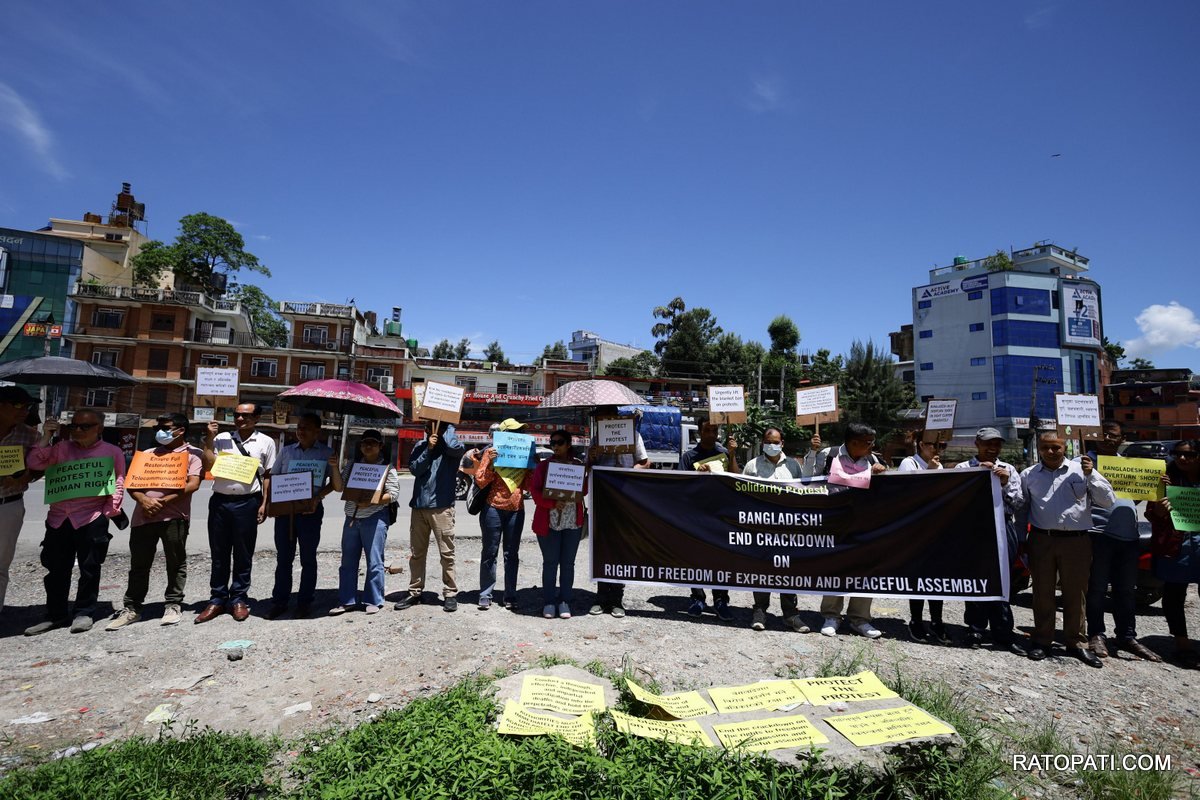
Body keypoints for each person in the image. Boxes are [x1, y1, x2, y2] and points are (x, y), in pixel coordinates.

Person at [24, 410, 126, 635]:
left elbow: (118, 480)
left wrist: (111, 509)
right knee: (56, 569)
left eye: (85, 426)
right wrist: (45, 437)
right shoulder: (60, 448)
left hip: (92, 517)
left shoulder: (112, 452)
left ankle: (84, 612)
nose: (78, 430)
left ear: (99, 428)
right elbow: (34, 462)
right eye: (74, 426)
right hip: (59, 518)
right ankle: (55, 614)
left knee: (90, 568)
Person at [1020, 430, 1115, 666]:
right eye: (1046, 448)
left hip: (1077, 541)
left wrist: (1091, 474)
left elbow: (1108, 500)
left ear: (1065, 448)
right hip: (1041, 539)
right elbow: (1023, 510)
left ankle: (1076, 642)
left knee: (1076, 592)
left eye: (1056, 447)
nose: (1051, 452)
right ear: (1039, 449)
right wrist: (1021, 540)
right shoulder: (1029, 475)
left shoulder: (1081, 471)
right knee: (1042, 592)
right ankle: (1043, 640)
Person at [106, 413, 203, 630]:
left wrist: (162, 501)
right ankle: (132, 608)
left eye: (166, 427)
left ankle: (173, 604)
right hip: (143, 517)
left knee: (176, 562)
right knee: (139, 564)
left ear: (181, 430)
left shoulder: (192, 455)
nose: (161, 432)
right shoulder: (147, 454)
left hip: (174, 517)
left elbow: (193, 484)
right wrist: (143, 500)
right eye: (158, 428)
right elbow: (132, 484)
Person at [1084, 421, 1161, 661]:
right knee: (1096, 589)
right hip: (1098, 534)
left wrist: (1156, 486)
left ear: (1122, 438)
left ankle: (1127, 636)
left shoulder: (1129, 466)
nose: (1107, 438)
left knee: (1126, 590)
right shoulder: (1083, 462)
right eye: (1102, 434)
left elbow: (1133, 499)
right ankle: (1096, 633)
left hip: (1128, 536)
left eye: (1112, 435)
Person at [197, 403, 277, 624]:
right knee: (219, 552)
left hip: (248, 502)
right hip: (220, 502)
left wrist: (264, 503)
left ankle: (239, 598)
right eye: (237, 415)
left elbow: (268, 474)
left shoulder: (266, 442)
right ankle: (217, 598)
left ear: (257, 417)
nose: (240, 419)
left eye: (246, 415)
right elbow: (208, 464)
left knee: (243, 553)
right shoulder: (221, 438)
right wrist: (209, 439)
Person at [954, 427, 1028, 655]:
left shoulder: (1009, 469)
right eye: (987, 443)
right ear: (977, 444)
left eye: (997, 444)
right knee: (976, 577)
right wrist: (976, 474)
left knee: (1003, 578)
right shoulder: (962, 469)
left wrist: (1004, 483)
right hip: (974, 528)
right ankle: (975, 628)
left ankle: (1003, 631)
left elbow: (1018, 503)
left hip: (1003, 525)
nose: (992, 448)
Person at [812, 422, 888, 639]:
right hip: (835, 524)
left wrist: (883, 471)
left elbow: (887, 488)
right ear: (854, 443)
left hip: (865, 526)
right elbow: (810, 482)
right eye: (868, 443)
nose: (872, 446)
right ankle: (831, 616)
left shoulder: (873, 459)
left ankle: (860, 619)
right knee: (836, 569)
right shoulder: (829, 455)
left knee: (865, 571)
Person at [268, 412, 337, 620]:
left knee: (308, 559)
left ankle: (305, 602)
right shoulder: (287, 452)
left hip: (311, 513)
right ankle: (280, 601)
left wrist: (318, 497)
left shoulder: (327, 453)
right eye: (299, 426)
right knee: (283, 559)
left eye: (306, 427)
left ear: (318, 431)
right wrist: (269, 505)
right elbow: (274, 478)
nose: (301, 431)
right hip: (286, 514)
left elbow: (334, 485)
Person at [741, 426, 807, 632]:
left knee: (788, 570)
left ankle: (791, 614)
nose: (772, 445)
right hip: (761, 529)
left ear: (782, 443)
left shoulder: (794, 467)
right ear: (763, 443)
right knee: (761, 569)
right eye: (768, 442)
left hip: (787, 530)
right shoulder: (752, 466)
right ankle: (760, 611)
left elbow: (802, 492)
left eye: (776, 442)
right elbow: (741, 491)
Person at [396, 420, 466, 612]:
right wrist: (429, 448)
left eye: (437, 427)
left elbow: (454, 448)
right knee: (417, 553)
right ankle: (415, 591)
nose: (430, 431)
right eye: (427, 427)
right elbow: (415, 469)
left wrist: (445, 432)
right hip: (419, 507)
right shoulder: (420, 446)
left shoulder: (454, 445)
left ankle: (450, 593)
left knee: (447, 554)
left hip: (442, 507)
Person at [587, 405, 650, 617]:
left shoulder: (633, 434)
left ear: (614, 416)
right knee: (602, 546)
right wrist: (591, 457)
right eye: (600, 417)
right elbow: (588, 468)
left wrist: (631, 472)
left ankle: (617, 599)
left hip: (624, 499)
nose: (603, 419)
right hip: (602, 499)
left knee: (621, 546)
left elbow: (645, 462)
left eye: (606, 416)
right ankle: (601, 596)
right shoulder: (596, 440)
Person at [332, 430, 400, 615]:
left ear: (380, 446)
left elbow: (393, 494)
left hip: (375, 518)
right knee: (348, 561)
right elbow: (339, 487)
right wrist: (333, 467)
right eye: (364, 443)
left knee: (375, 561)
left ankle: (373, 600)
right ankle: (347, 600)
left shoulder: (387, 467)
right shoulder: (352, 465)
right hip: (352, 518)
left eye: (372, 443)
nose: (368, 446)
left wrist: (372, 500)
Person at [678, 419, 739, 622]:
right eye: (707, 430)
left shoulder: (724, 453)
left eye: (714, 430)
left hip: (720, 516)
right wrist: (696, 475)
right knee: (695, 559)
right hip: (696, 517)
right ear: (699, 432)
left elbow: (736, 479)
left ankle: (721, 600)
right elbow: (680, 486)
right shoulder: (689, 457)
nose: (711, 434)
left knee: (720, 559)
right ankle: (697, 598)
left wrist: (732, 454)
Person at [1146, 439, 1200, 668]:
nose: (1182, 458)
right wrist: (1159, 508)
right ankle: (1182, 645)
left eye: (1189, 454)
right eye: (1177, 453)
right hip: (1175, 546)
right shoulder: (1165, 479)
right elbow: (1151, 514)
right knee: (1174, 595)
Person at [474, 418, 532, 611]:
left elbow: (529, 486)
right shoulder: (490, 453)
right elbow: (480, 481)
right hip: (492, 508)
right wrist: (490, 463)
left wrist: (532, 466)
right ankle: (485, 593)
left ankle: (510, 594)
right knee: (489, 552)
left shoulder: (524, 454)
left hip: (516, 510)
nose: (518, 436)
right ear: (504, 435)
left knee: (511, 555)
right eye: (514, 432)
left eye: (520, 433)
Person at [529, 429, 587, 619]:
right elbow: (535, 493)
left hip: (572, 522)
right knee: (550, 563)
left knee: (568, 564)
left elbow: (584, 491)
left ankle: (564, 601)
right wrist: (553, 503)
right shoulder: (543, 467)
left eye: (559, 442)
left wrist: (584, 473)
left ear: (568, 444)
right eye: (552, 442)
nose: (555, 446)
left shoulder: (577, 465)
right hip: (549, 522)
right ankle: (548, 602)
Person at [897, 434, 949, 644]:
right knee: (918, 577)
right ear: (921, 445)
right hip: (915, 531)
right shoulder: (908, 463)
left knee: (937, 577)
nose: (937, 449)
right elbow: (906, 493)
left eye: (941, 446)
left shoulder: (940, 466)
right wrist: (928, 470)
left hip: (935, 530)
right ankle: (916, 621)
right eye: (932, 445)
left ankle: (937, 620)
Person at [0, 386, 41, 616]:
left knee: (1, 564)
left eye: (27, 406)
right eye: (17, 405)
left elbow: (38, 467)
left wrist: (29, 475)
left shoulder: (30, 435)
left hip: (9, 505)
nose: (24, 411)